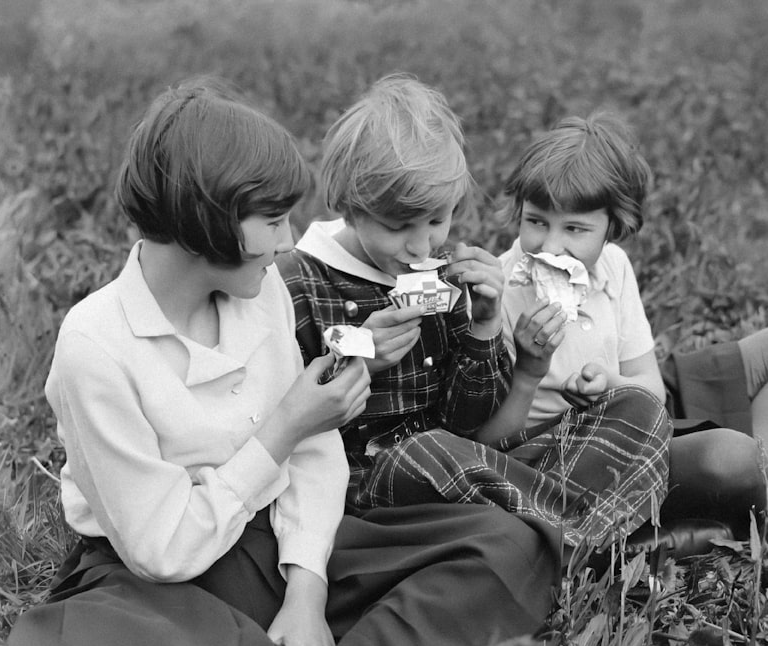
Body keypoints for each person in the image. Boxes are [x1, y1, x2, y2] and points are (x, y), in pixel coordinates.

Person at [1, 76, 562, 646]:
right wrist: (285, 427)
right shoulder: (97, 346)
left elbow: (316, 456)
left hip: (278, 540)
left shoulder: (258, 290)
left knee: (507, 544)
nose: (287, 241)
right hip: (156, 580)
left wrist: (307, 587)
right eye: (271, 222)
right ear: (204, 221)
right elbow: (160, 550)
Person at [279, 74, 671, 557]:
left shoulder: (444, 275)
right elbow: (285, 419)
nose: (422, 247)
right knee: (430, 451)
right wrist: (360, 357)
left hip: (467, 469)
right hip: (371, 479)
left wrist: (483, 326)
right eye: (399, 227)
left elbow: (469, 425)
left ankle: (545, 536)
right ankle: (594, 539)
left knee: (639, 408)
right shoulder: (296, 281)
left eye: (437, 221)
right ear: (348, 207)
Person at [489, 112, 768, 539]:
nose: (551, 246)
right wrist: (531, 369)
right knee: (730, 457)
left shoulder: (613, 267)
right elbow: (495, 442)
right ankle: (765, 487)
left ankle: (762, 478)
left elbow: (650, 389)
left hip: (642, 403)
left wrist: (612, 384)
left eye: (575, 228)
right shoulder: (501, 291)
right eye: (536, 221)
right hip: (582, 448)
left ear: (612, 230)